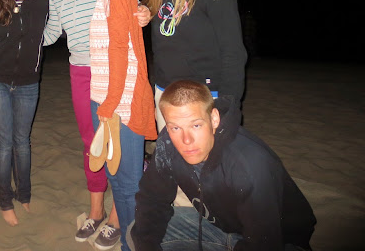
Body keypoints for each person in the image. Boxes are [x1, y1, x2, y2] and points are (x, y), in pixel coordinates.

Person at [42, 0, 151, 244]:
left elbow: (128, 13)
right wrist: (19, 31)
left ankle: (118, 218)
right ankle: (96, 211)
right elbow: (51, 33)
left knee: (119, 146)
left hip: (114, 71)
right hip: (81, 71)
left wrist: (143, 12)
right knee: (92, 143)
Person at [128, 79, 316, 251]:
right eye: (175, 127)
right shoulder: (168, 143)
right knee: (138, 232)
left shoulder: (249, 163)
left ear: (214, 119)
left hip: (280, 241)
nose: (186, 140)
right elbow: (152, 200)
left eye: (196, 125)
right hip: (224, 228)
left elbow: (264, 242)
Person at [85, 0, 157, 251]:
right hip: (103, 96)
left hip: (121, 101)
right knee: (116, 176)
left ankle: (133, 246)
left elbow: (119, 48)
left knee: (128, 184)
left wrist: (111, 102)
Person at [143, 0, 247, 132]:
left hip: (203, 95)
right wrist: (144, 12)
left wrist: (227, 104)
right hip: (165, 93)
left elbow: (233, 52)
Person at [0, 0, 49, 226]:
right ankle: (4, 200)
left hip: (28, 82)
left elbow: (62, 24)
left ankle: (24, 194)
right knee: (3, 143)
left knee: (22, 142)